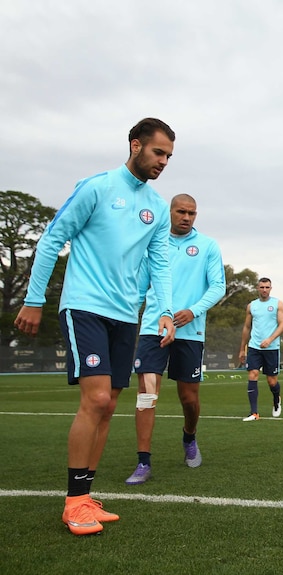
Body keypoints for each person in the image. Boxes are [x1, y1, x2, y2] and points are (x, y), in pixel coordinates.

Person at [14, 118, 177, 535]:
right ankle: (73, 504)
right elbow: (52, 239)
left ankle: (86, 497)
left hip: (127, 315)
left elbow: (159, 261)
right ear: (136, 145)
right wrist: (34, 300)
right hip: (85, 306)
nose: (163, 162)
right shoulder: (97, 187)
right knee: (97, 397)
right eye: (158, 152)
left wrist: (164, 310)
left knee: (109, 405)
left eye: (169, 157)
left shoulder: (158, 207)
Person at [125, 194, 226, 485]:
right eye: (181, 211)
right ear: (169, 212)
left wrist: (193, 311)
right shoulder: (153, 244)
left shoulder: (208, 246)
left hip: (189, 333)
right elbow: (139, 287)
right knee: (146, 395)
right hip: (153, 330)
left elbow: (218, 286)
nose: (187, 217)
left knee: (188, 398)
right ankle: (143, 461)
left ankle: (189, 437)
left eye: (192, 213)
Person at [238, 278, 283, 420]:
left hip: (271, 348)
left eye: (267, 287)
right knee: (253, 374)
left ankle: (276, 398)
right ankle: (254, 413)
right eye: (262, 287)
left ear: (271, 288)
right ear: (257, 288)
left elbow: (282, 325)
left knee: (272, 381)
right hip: (254, 347)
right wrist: (242, 349)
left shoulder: (278, 304)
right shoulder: (251, 306)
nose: (264, 290)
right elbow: (247, 327)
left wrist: (270, 339)